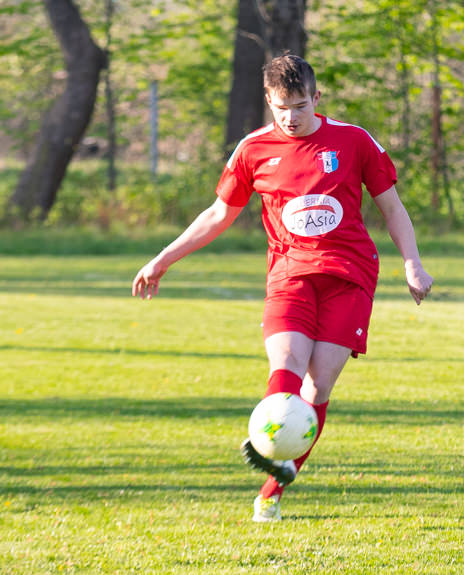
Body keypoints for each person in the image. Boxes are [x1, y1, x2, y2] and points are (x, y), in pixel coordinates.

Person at [132, 53, 434, 521]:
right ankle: (273, 451)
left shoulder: (354, 141)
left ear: (316, 98)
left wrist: (412, 264)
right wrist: (162, 259)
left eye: (298, 106)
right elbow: (218, 214)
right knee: (288, 362)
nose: (290, 118)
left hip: (349, 275)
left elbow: (393, 209)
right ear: (269, 103)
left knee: (319, 385)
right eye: (280, 108)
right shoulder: (253, 149)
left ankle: (272, 486)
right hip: (289, 273)